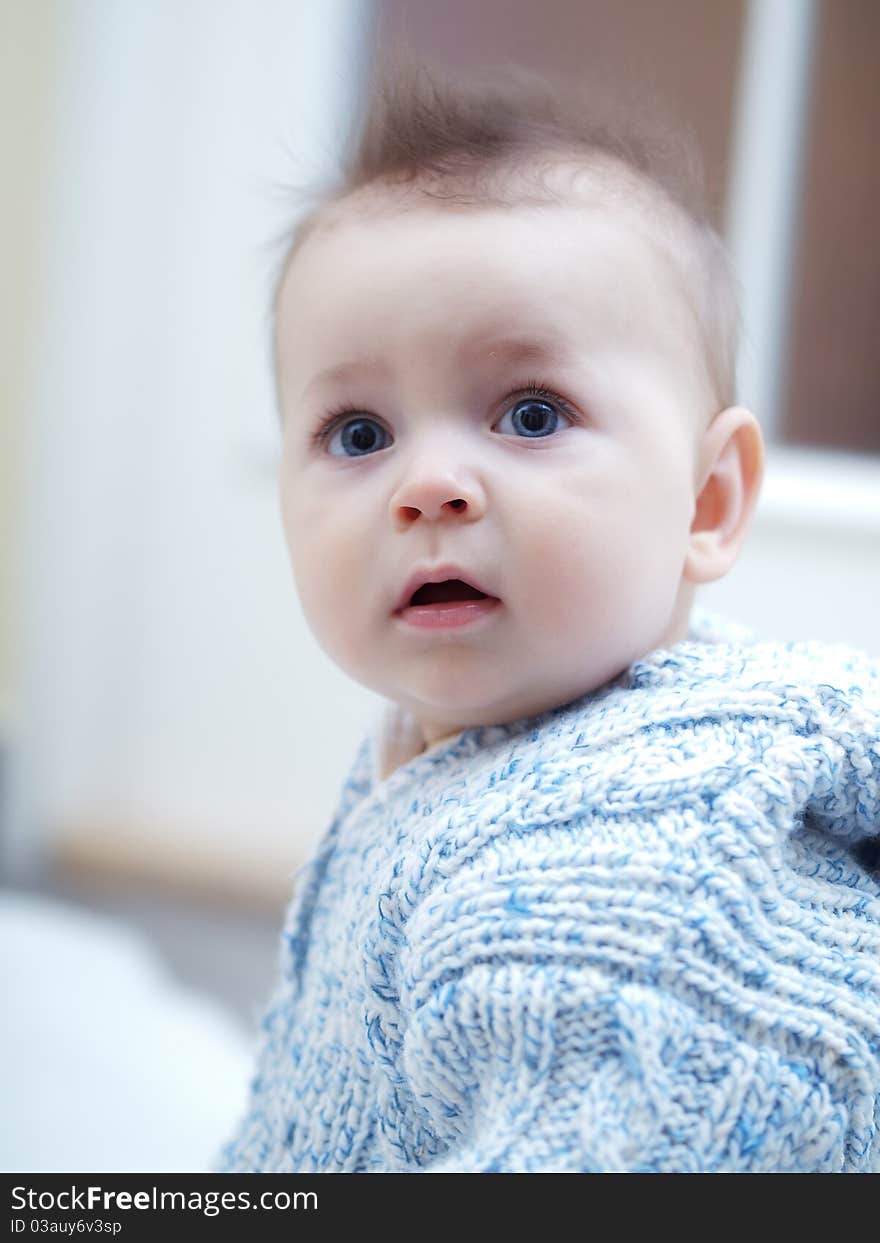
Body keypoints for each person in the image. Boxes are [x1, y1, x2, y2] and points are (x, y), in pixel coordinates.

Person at [217, 60, 880, 1173]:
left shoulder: (640, 897)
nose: (427, 484)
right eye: (359, 433)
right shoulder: (452, 747)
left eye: (530, 413)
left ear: (706, 500)